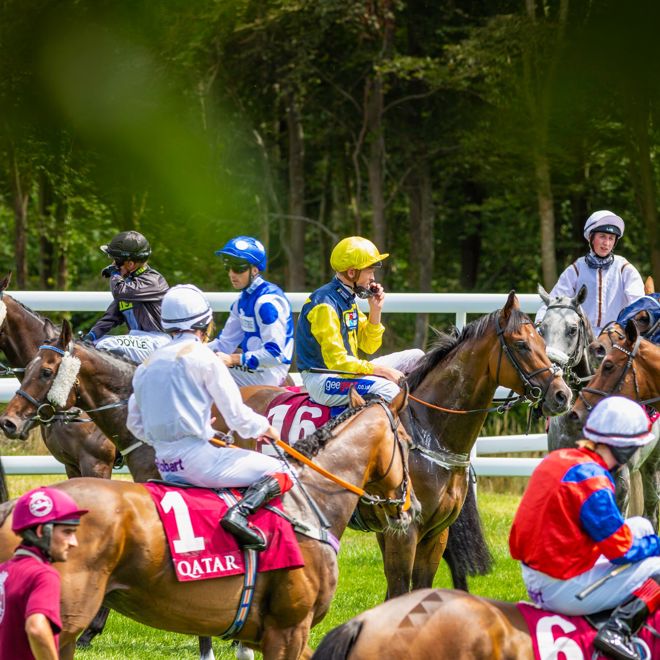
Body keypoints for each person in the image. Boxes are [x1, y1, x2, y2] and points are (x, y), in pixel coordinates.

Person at [126, 284, 293, 550]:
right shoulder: (204, 357)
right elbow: (238, 418)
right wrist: (265, 428)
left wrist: (188, 434)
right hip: (200, 464)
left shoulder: (146, 364)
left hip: (165, 465)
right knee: (283, 470)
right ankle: (239, 516)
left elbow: (133, 422)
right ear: (205, 323)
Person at [509, 396, 660, 660]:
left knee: (640, 525)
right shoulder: (594, 481)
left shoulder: (562, 458)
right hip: (558, 587)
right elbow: (620, 552)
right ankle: (618, 630)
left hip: (541, 569)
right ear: (623, 448)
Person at [296, 236, 423, 407]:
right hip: (324, 379)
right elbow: (337, 362)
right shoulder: (325, 304)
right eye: (369, 271)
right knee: (390, 390)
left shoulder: (347, 299)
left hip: (346, 373)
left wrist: (375, 310)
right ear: (351, 272)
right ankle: (406, 432)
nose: (373, 278)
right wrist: (383, 371)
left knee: (417, 357)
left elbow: (370, 346)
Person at [0, 487, 87, 660]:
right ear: (41, 531)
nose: (74, 542)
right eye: (67, 532)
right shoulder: (44, 575)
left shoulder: (4, 570)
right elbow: (36, 628)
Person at [536, 210, 645, 335]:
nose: (607, 243)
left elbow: (638, 305)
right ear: (591, 238)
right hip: (581, 338)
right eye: (602, 236)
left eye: (611, 238)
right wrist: (539, 324)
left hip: (617, 338)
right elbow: (554, 301)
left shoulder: (625, 269)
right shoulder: (576, 269)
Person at [208, 236, 294, 387]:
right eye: (228, 267)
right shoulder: (241, 301)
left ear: (254, 270)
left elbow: (275, 354)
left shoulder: (267, 303)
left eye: (238, 268)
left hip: (270, 373)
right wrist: (189, 349)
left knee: (204, 372)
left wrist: (233, 359)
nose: (231, 274)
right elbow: (224, 343)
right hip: (253, 369)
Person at [83, 230, 170, 363]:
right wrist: (90, 336)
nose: (113, 265)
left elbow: (120, 291)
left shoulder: (153, 280)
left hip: (158, 341)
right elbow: (110, 318)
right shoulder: (129, 282)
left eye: (116, 261)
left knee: (104, 346)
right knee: (88, 347)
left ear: (130, 264)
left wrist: (115, 274)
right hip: (138, 340)